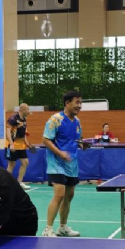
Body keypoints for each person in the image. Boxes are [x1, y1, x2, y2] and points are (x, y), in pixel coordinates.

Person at [42, 90, 83, 237]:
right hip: (56, 163)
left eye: (81, 102)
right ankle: (48, 229)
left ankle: (62, 227)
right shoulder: (56, 119)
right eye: (77, 102)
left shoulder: (77, 122)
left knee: (69, 195)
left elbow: (76, 140)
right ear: (67, 103)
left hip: (72, 164)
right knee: (59, 194)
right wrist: (60, 153)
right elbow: (46, 139)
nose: (80, 106)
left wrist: (82, 144)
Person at [5, 104, 34, 190]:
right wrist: (11, 144)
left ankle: (19, 182)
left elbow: (23, 132)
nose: (29, 111)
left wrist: (27, 142)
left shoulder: (24, 119)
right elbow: (8, 132)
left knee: (25, 162)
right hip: (12, 145)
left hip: (21, 146)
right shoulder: (13, 119)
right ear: (21, 110)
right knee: (11, 164)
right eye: (27, 110)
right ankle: (6, 183)